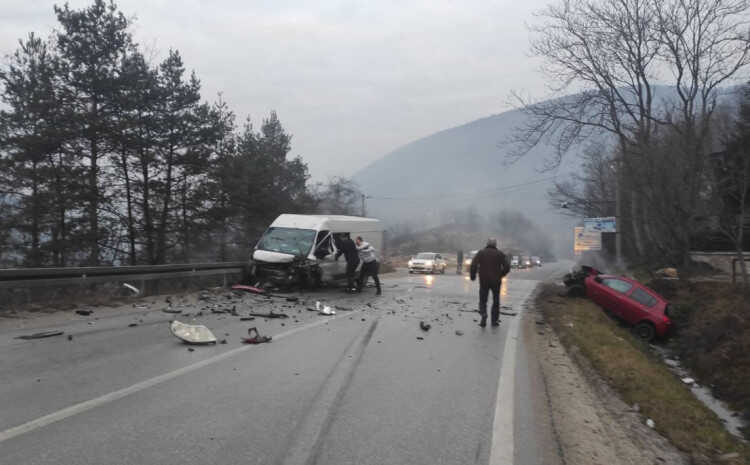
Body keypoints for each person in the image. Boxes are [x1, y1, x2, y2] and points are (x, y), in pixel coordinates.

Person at [470, 238, 510, 327]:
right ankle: (494, 321)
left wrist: (473, 276)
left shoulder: (481, 253)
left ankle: (483, 314)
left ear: (487, 244)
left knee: (483, 300)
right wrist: (501, 274)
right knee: (496, 300)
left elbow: (473, 264)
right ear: (495, 245)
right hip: (496, 281)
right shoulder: (500, 254)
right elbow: (507, 266)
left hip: (484, 280)